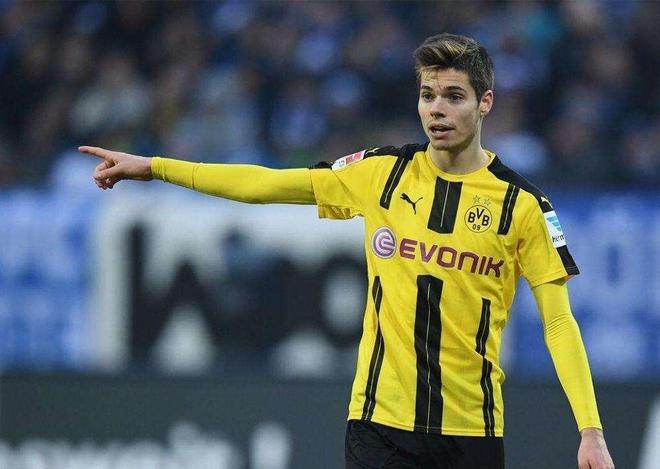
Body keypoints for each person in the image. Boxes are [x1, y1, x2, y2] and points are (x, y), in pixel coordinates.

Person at [79, 33, 614, 469]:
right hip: (379, 425)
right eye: (428, 95)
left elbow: (559, 324)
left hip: (471, 431)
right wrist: (156, 167)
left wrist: (590, 430)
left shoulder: (524, 206)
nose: (437, 109)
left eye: (454, 96)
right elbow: (265, 184)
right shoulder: (381, 173)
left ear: (485, 103)